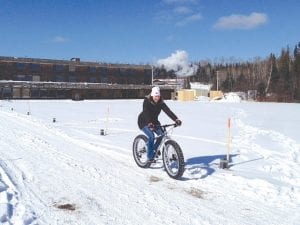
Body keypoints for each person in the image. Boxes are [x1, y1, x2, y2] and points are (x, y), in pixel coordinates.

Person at [138, 86, 182, 162]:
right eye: (155, 96)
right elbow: (146, 112)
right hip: (144, 121)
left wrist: (176, 119)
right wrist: (149, 123)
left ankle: (154, 149)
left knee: (162, 135)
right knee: (151, 136)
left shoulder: (161, 103)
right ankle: (150, 157)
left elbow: (168, 111)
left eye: (158, 96)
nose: (157, 98)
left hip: (154, 122)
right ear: (152, 95)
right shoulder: (146, 101)